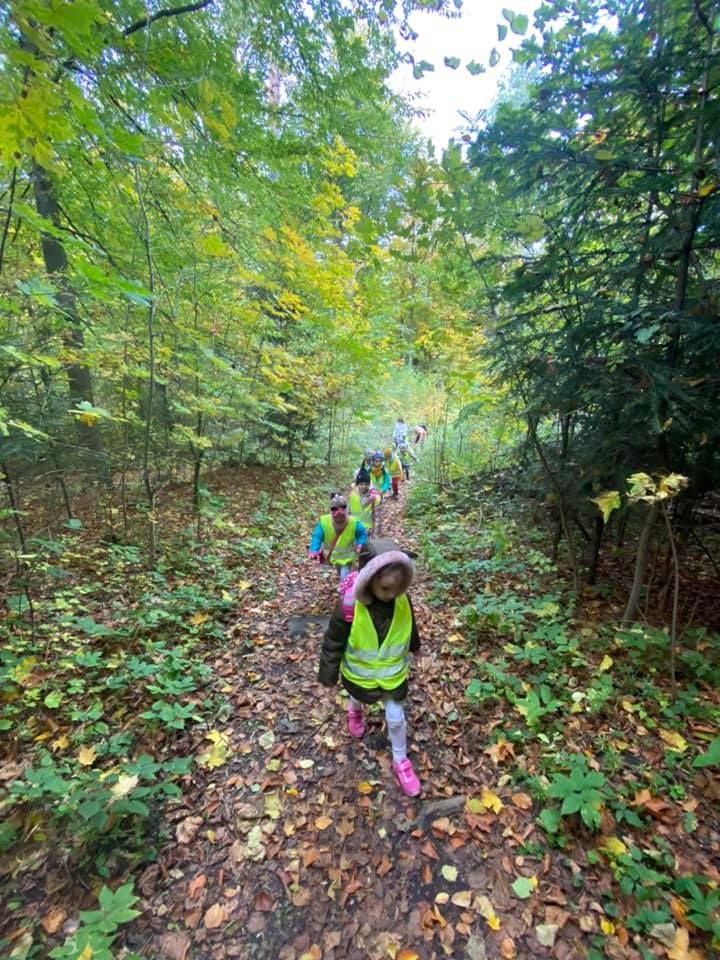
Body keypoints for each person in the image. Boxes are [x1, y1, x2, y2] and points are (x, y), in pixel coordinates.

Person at [318, 538, 422, 797]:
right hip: (359, 675)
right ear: (369, 579)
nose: (392, 594)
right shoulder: (349, 606)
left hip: (393, 676)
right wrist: (328, 675)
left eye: (397, 587)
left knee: (396, 718)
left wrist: (415, 646)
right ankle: (355, 712)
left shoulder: (402, 600)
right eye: (386, 588)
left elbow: (410, 625)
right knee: (357, 696)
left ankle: (400, 760)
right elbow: (333, 641)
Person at [308, 493, 368, 580]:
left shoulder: (354, 522)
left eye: (343, 508)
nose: (339, 512)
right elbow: (317, 536)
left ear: (347, 509)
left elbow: (362, 534)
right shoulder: (324, 522)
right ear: (330, 510)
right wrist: (314, 549)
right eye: (334, 509)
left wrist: (360, 544)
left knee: (344, 576)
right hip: (333, 556)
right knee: (340, 572)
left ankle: (346, 586)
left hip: (348, 558)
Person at [349, 468, 379, 534]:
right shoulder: (353, 491)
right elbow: (350, 507)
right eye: (361, 484)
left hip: (366, 521)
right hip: (356, 520)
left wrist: (372, 497)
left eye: (366, 484)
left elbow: (376, 498)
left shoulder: (371, 490)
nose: (363, 486)